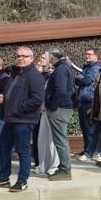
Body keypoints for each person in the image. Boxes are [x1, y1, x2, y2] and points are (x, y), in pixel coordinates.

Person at [0, 46, 45, 191]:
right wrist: (3, 98)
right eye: (18, 56)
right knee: (3, 147)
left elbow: (37, 99)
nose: (21, 58)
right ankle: (3, 178)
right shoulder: (16, 74)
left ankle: (22, 181)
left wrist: (18, 108)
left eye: (24, 56)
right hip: (11, 118)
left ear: (31, 58)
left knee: (22, 150)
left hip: (23, 120)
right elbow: (14, 95)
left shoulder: (34, 76)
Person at [43, 50, 75, 181]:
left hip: (59, 109)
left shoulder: (61, 69)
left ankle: (65, 170)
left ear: (53, 56)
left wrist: (52, 105)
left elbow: (60, 90)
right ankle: (64, 168)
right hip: (62, 108)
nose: (46, 58)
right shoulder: (63, 67)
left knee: (60, 140)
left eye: (48, 56)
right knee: (60, 139)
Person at [77, 47, 101, 161]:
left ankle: (91, 152)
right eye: (86, 54)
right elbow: (81, 79)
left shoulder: (96, 67)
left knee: (91, 128)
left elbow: (86, 80)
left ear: (96, 56)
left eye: (89, 54)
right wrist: (80, 78)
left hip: (90, 101)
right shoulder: (86, 67)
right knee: (84, 127)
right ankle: (87, 149)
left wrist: (80, 79)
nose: (87, 56)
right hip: (82, 100)